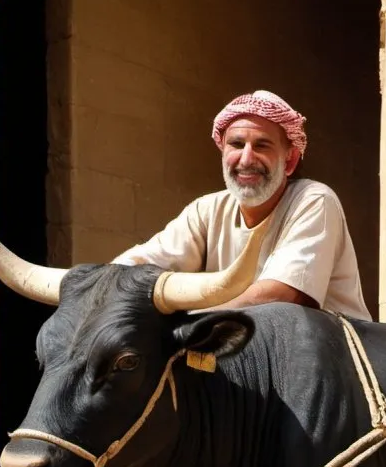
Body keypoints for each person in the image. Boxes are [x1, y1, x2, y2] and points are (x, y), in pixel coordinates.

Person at [114, 90, 370, 319]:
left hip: (335, 360)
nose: (247, 159)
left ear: (289, 160)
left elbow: (282, 296)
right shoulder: (206, 210)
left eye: (262, 145)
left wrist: (186, 319)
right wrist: (92, 286)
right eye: (236, 144)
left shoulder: (314, 200)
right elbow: (135, 267)